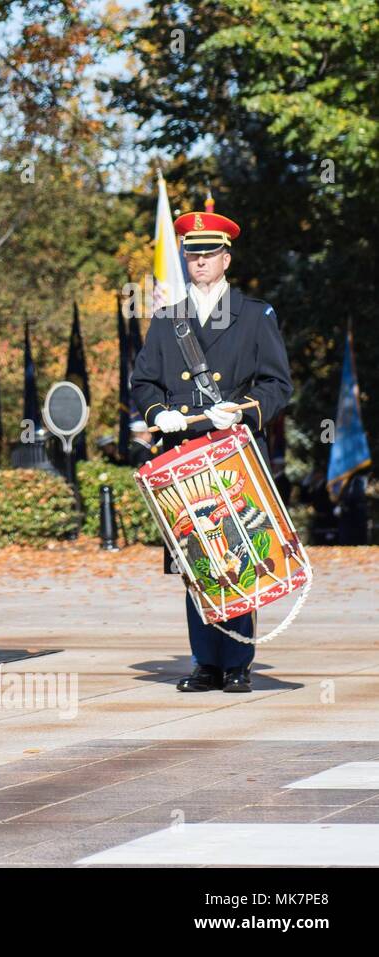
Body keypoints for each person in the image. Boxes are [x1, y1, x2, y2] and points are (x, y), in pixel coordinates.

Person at [131, 203, 292, 693]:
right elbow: (143, 381)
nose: (199, 262)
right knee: (195, 556)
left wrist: (243, 410)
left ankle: (238, 661)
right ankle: (206, 661)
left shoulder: (255, 315)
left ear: (227, 258)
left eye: (209, 254)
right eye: (192, 254)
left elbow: (277, 384)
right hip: (183, 454)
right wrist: (158, 413)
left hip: (232, 450)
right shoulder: (167, 318)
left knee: (238, 551)